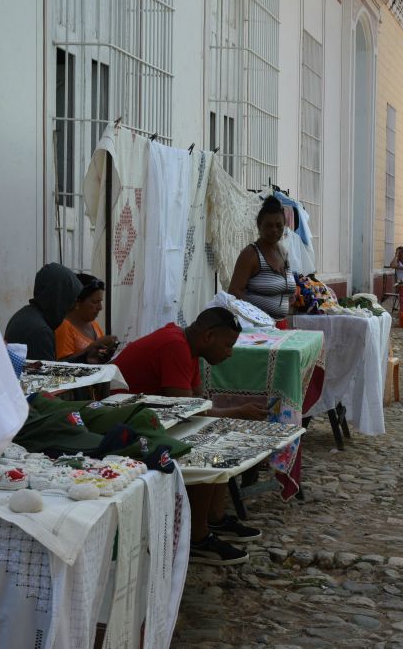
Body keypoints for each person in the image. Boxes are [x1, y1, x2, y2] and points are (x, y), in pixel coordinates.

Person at [113, 307, 268, 565]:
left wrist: (229, 415)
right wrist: (237, 411)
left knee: (217, 433)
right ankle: (198, 537)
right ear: (208, 336)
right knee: (204, 450)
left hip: (152, 416)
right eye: (228, 345)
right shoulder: (174, 346)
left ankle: (214, 518)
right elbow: (188, 411)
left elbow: (198, 403)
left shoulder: (188, 346)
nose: (230, 353)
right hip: (123, 423)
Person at [5, 263, 112, 362]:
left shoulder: (24, 315)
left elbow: (53, 368)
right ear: (59, 297)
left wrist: (85, 358)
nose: (72, 306)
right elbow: (49, 378)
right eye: (70, 300)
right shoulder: (40, 331)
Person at [229, 195, 297, 327]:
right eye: (268, 225)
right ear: (259, 226)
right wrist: (258, 315)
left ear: (284, 225)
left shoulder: (283, 252)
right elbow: (234, 291)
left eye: (279, 225)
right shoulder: (251, 254)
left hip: (281, 325)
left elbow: (285, 291)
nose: (274, 230)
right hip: (257, 328)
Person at [54, 273, 118, 362]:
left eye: (100, 301)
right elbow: (62, 364)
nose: (100, 307)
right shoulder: (64, 327)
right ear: (77, 302)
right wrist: (91, 348)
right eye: (95, 302)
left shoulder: (94, 325)